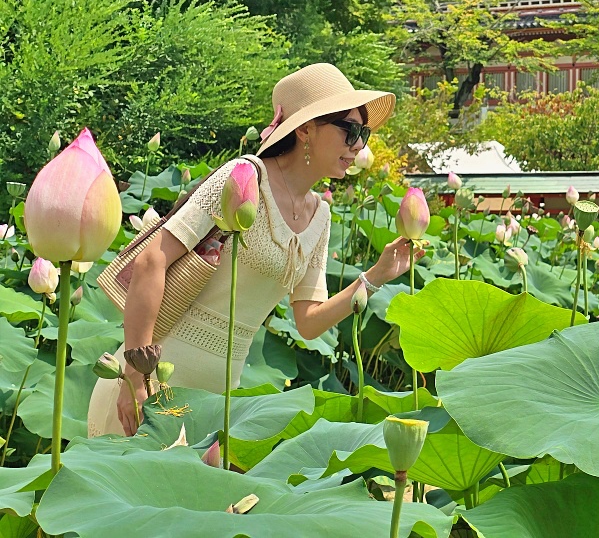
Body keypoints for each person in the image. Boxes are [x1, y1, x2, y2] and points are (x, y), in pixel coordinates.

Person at [88, 64, 419, 436]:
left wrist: (374, 277)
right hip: (151, 387)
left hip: (218, 406)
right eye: (350, 131)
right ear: (306, 129)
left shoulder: (320, 216)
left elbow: (308, 322)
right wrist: (134, 375)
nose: (359, 146)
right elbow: (152, 260)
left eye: (364, 133)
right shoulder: (244, 177)